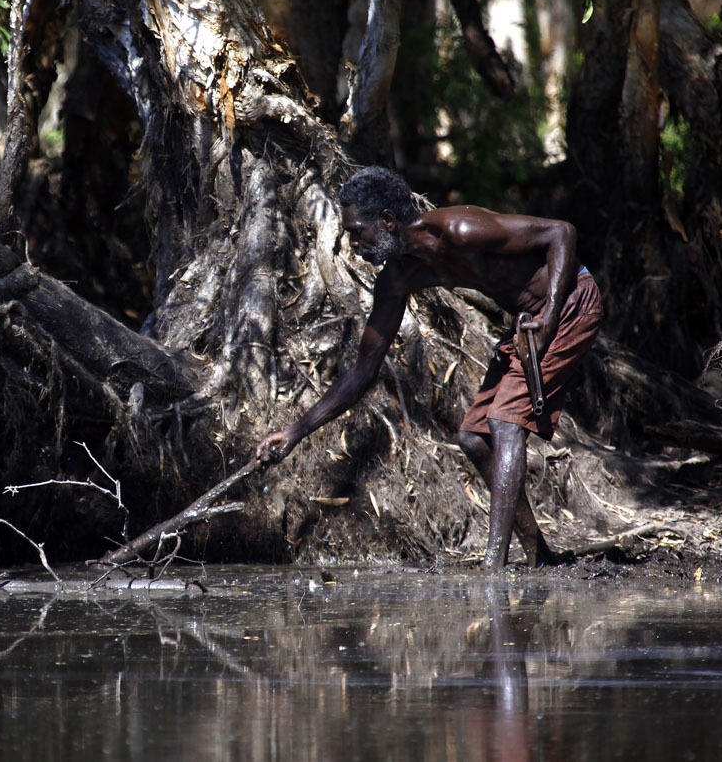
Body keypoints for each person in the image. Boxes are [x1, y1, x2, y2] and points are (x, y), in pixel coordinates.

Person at [256, 166, 603, 569]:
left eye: (357, 231)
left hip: (571, 302)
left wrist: (550, 315)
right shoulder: (398, 278)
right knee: (473, 437)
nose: (353, 245)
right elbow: (364, 369)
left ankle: (494, 567)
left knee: (506, 424)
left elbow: (561, 232)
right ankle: (539, 557)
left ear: (387, 221)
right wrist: (295, 432)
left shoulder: (459, 230)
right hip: (529, 321)